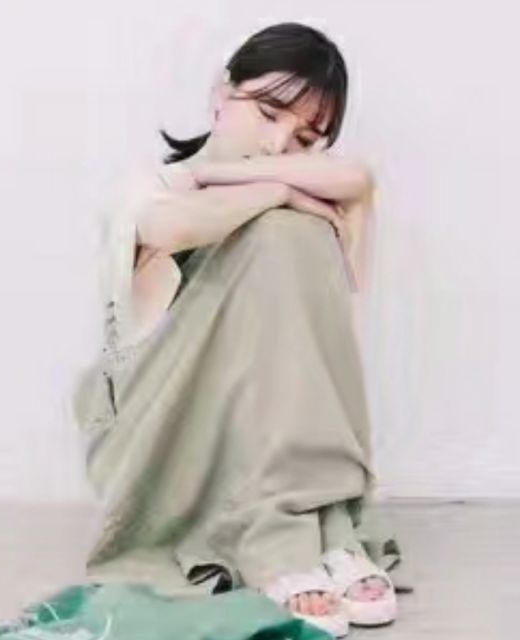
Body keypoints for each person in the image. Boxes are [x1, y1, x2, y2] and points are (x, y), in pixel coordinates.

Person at [71, 22, 410, 639]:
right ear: (221, 92)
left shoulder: (283, 185)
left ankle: (304, 520)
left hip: (266, 420)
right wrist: (279, 190)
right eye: (269, 112)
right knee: (283, 230)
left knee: (296, 233)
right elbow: (174, 229)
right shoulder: (155, 184)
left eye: (304, 139)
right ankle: (293, 533)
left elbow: (358, 180)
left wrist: (240, 179)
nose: (279, 143)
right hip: (156, 429)